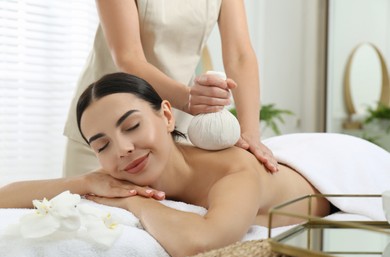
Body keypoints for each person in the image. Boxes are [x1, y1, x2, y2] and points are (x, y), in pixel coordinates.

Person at [0, 73, 342, 257]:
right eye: (102, 145)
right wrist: (88, 180)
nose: (123, 149)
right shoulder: (124, 167)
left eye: (132, 126)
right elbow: (6, 195)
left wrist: (134, 201)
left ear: (166, 115)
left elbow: (202, 245)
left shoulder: (233, 172)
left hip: (326, 162)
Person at [62, 0, 279, 178]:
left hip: (171, 124)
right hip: (106, 126)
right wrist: (188, 99)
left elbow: (240, 55)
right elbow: (128, 57)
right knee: (88, 222)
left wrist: (250, 134)